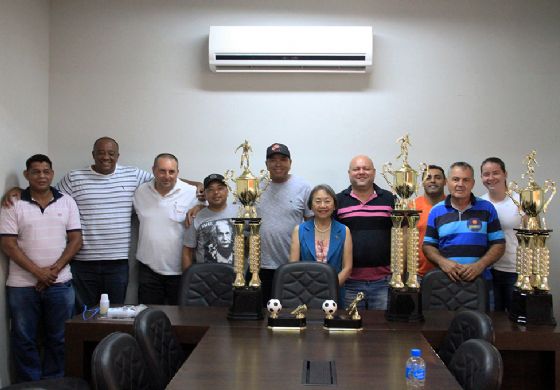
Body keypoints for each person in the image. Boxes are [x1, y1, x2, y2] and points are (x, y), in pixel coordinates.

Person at [0, 154, 82, 382]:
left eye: (46, 171)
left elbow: (76, 240)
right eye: (36, 171)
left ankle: (53, 383)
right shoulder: (12, 202)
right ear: (27, 175)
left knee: (59, 338)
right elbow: (8, 244)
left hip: (60, 283)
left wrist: (53, 270)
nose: (42, 176)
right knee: (24, 338)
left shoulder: (67, 201)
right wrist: (39, 272)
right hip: (21, 286)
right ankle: (30, 385)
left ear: (52, 173)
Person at [423, 162, 505, 287]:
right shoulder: (436, 211)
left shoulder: (487, 208)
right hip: (445, 283)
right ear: (448, 182)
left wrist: (480, 265)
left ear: (473, 183)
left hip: (481, 282)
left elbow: (498, 244)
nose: (460, 184)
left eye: (466, 180)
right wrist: (443, 262)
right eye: (456, 179)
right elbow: (428, 246)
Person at [133, 153, 201, 305]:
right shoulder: (140, 192)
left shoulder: (191, 192)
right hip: (148, 268)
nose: (167, 176)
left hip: (181, 270)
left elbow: (209, 214)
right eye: (162, 171)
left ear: (178, 172)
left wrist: (200, 206)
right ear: (153, 170)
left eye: (172, 172)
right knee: (148, 315)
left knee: (179, 319)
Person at [336, 155, 395, 310]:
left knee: (382, 330)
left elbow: (400, 235)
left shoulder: (390, 199)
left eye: (366, 168)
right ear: (349, 173)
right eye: (356, 169)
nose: (361, 172)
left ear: (374, 172)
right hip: (349, 282)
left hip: (384, 281)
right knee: (350, 330)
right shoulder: (338, 201)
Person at [256, 143, 313, 304]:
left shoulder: (304, 187)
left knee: (291, 314)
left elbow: (311, 225)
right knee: (262, 316)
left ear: (290, 162)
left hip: (293, 264)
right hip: (260, 267)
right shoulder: (255, 188)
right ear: (266, 164)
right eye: (272, 160)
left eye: (283, 159)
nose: (278, 163)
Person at [289, 184, 352, 290]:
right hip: (305, 292)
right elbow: (293, 267)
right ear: (310, 205)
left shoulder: (344, 230)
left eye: (327, 201)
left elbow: (347, 268)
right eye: (318, 201)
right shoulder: (299, 230)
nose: (323, 205)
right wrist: (310, 290)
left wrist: (330, 288)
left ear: (334, 205)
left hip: (335, 292)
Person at [480, 157, 521, 311]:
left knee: (516, 320)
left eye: (495, 173)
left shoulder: (521, 201)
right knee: (493, 320)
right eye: (486, 174)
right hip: (489, 271)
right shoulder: (479, 203)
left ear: (505, 174)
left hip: (515, 270)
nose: (490, 178)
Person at [183, 174, 238, 268]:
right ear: (205, 193)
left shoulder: (241, 212)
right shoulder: (196, 216)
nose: (216, 192)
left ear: (227, 190)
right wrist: (187, 279)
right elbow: (187, 251)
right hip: (205, 278)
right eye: (210, 189)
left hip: (237, 277)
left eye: (220, 188)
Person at [415, 165, 447, 279]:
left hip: (448, 273)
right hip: (417, 275)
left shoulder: (454, 206)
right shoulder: (412, 207)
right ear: (422, 183)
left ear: (445, 182)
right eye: (428, 177)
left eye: (437, 177)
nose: (433, 180)